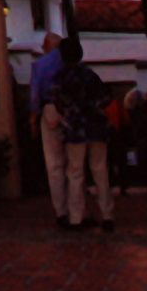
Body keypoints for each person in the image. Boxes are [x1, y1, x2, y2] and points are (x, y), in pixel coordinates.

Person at [52, 38, 116, 229]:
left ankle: (76, 217)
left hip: (75, 129)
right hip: (96, 126)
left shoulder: (61, 78)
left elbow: (59, 103)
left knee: (75, 172)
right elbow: (105, 98)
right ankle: (107, 215)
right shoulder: (90, 75)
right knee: (100, 169)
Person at [28, 30, 67, 221]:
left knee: (54, 163)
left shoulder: (40, 65)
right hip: (70, 110)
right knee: (74, 164)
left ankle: (61, 211)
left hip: (50, 109)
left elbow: (35, 95)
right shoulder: (69, 63)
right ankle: (78, 209)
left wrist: (33, 119)